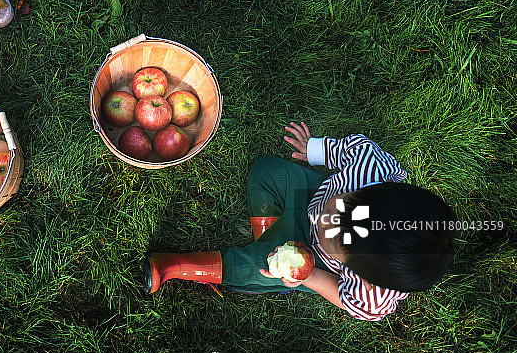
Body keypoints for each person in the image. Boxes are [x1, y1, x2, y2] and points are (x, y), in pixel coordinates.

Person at [143, 122, 456, 321]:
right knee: (266, 172)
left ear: (366, 275)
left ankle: (174, 266)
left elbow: (341, 295)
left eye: (340, 241)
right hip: (310, 197)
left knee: (255, 267)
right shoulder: (370, 168)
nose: (327, 223)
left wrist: (305, 276)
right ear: (377, 188)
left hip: (313, 258)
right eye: (342, 209)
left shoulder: (374, 293)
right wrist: (315, 150)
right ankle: (269, 242)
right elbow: (352, 149)